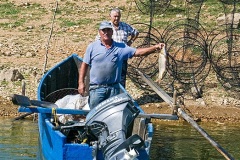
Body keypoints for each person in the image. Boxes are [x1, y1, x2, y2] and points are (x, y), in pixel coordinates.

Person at [78, 21, 164, 109]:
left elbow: (137, 52)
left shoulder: (120, 47)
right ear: (99, 32)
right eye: (104, 30)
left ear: (112, 32)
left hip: (113, 89)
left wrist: (155, 48)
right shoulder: (92, 47)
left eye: (108, 30)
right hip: (96, 88)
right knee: (94, 112)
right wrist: (81, 83)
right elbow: (84, 65)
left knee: (112, 113)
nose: (106, 32)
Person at [96, 8, 139, 88]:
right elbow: (98, 39)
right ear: (110, 16)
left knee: (122, 76)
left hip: (122, 56)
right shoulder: (106, 27)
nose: (116, 18)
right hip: (109, 56)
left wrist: (130, 42)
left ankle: (121, 94)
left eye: (118, 16)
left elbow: (136, 32)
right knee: (109, 75)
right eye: (115, 16)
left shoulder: (125, 26)